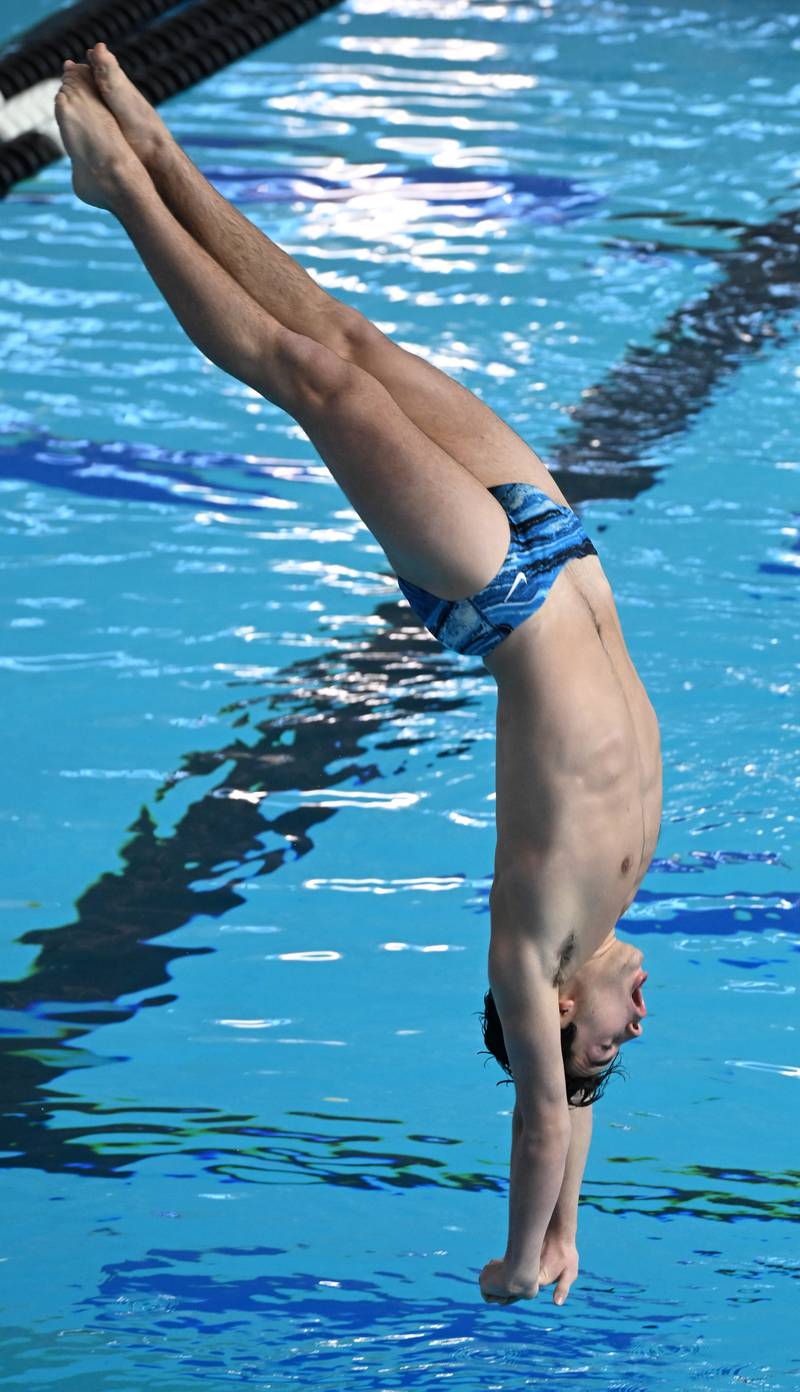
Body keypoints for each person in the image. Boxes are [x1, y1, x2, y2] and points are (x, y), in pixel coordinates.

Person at [53, 46, 663, 1309]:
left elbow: (548, 1120)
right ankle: (159, 150)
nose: (632, 1031)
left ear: (553, 1019)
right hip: (559, 546)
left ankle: (119, 193)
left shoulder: (527, 947)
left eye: (604, 1047)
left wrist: (514, 1257)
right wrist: (567, 1244)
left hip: (495, 595)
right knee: (347, 332)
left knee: (311, 377)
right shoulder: (601, 923)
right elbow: (582, 1115)